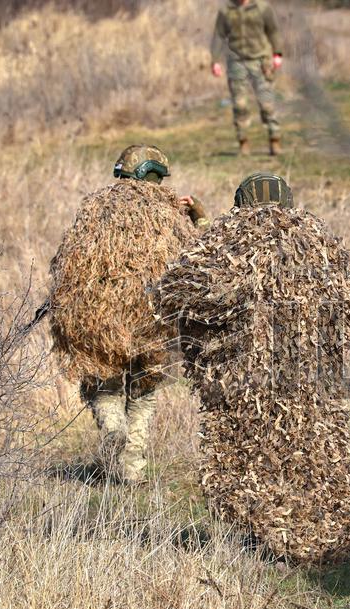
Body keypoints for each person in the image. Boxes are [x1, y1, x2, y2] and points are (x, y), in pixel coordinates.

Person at [78, 144, 206, 483]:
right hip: (153, 322)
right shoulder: (169, 216)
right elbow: (205, 256)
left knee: (104, 384)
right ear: (156, 176)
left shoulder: (95, 208)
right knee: (144, 392)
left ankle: (113, 429)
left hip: (101, 318)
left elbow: (71, 268)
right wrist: (197, 216)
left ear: (122, 174)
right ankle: (133, 470)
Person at [211, 0, 284, 157]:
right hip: (236, 61)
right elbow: (218, 35)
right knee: (239, 104)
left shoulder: (262, 7)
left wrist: (277, 53)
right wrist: (215, 60)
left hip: (260, 60)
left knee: (267, 103)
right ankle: (243, 142)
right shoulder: (226, 10)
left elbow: (273, 31)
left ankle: (274, 138)